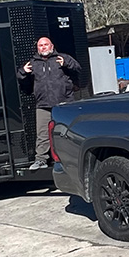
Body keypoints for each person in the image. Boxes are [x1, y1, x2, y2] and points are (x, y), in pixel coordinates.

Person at [16, 37, 81, 170]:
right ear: (37, 48)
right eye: (41, 45)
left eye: (46, 44)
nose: (43, 47)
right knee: (42, 134)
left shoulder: (62, 58)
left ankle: (75, 158)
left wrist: (67, 64)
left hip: (64, 104)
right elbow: (23, 83)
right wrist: (23, 73)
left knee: (69, 132)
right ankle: (41, 160)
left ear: (52, 46)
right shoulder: (33, 63)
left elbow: (78, 69)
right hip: (43, 105)